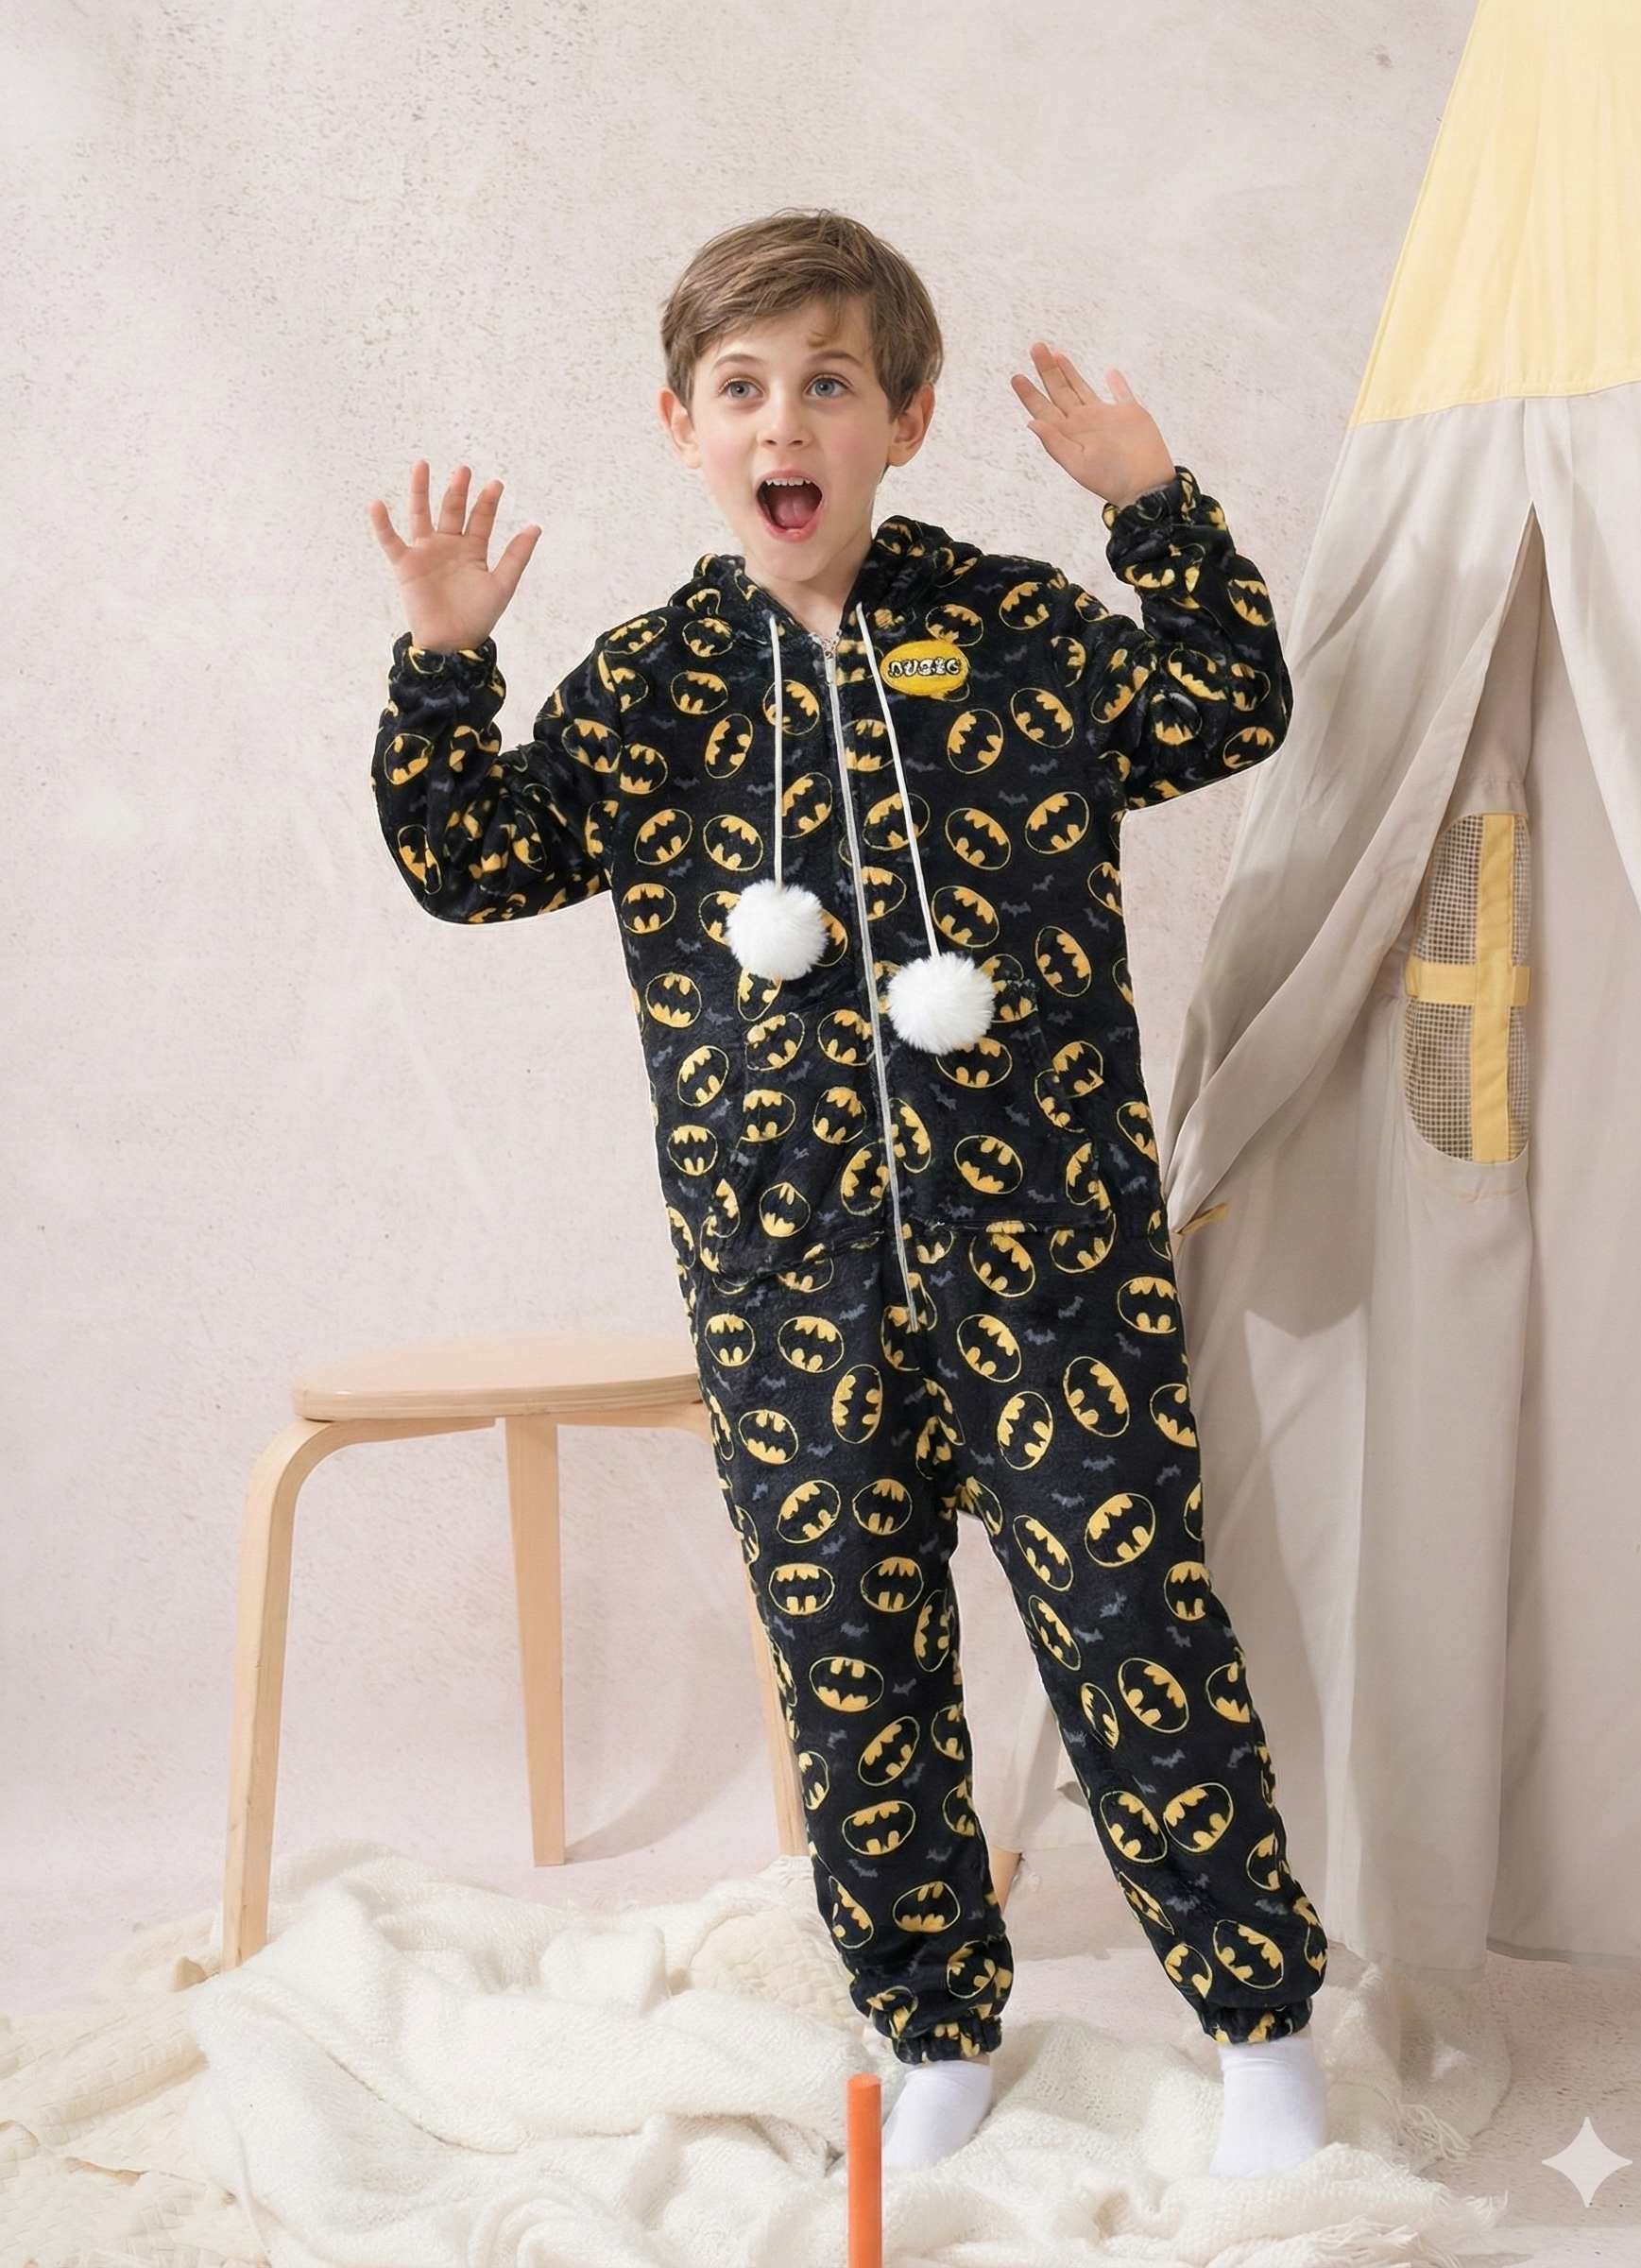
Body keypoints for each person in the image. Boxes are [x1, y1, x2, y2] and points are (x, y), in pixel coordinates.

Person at [368, 210, 1328, 2176]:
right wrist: (446, 664)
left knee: (1133, 1632)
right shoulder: (650, 690)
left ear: (902, 419)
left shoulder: (1014, 631)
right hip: (780, 1274)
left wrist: (1150, 509)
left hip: (1049, 1258)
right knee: (852, 1676)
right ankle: (932, 2031)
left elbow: (1227, 703)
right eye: (741, 390)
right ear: (682, 427)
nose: (782, 423)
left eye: (826, 384)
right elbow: (472, 861)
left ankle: (1261, 2038)